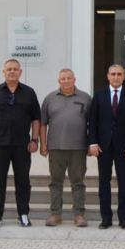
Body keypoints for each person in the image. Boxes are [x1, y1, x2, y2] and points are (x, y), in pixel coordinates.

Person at [0, 58, 41, 227]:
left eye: (15, 69)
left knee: (23, 181)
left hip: (22, 146)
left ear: (20, 72)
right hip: (0, 145)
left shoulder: (29, 92)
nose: (12, 71)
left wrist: (34, 139)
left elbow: (36, 119)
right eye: (9, 69)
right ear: (4, 72)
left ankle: (23, 214)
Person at [88, 64, 125, 230]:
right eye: (113, 74)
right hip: (103, 147)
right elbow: (93, 121)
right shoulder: (99, 95)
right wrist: (93, 142)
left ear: (124, 77)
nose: (116, 77)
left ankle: (124, 219)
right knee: (104, 183)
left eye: (119, 74)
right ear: (108, 76)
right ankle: (106, 219)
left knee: (124, 183)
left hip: (124, 148)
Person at [39, 68, 92, 227]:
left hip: (78, 148)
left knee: (78, 182)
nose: (66, 81)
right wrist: (43, 144)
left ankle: (79, 215)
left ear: (74, 80)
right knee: (56, 182)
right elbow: (43, 123)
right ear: (59, 81)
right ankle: (55, 214)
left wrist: (91, 143)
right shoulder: (49, 99)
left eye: (69, 78)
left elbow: (92, 123)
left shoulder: (85, 98)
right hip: (56, 148)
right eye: (63, 78)